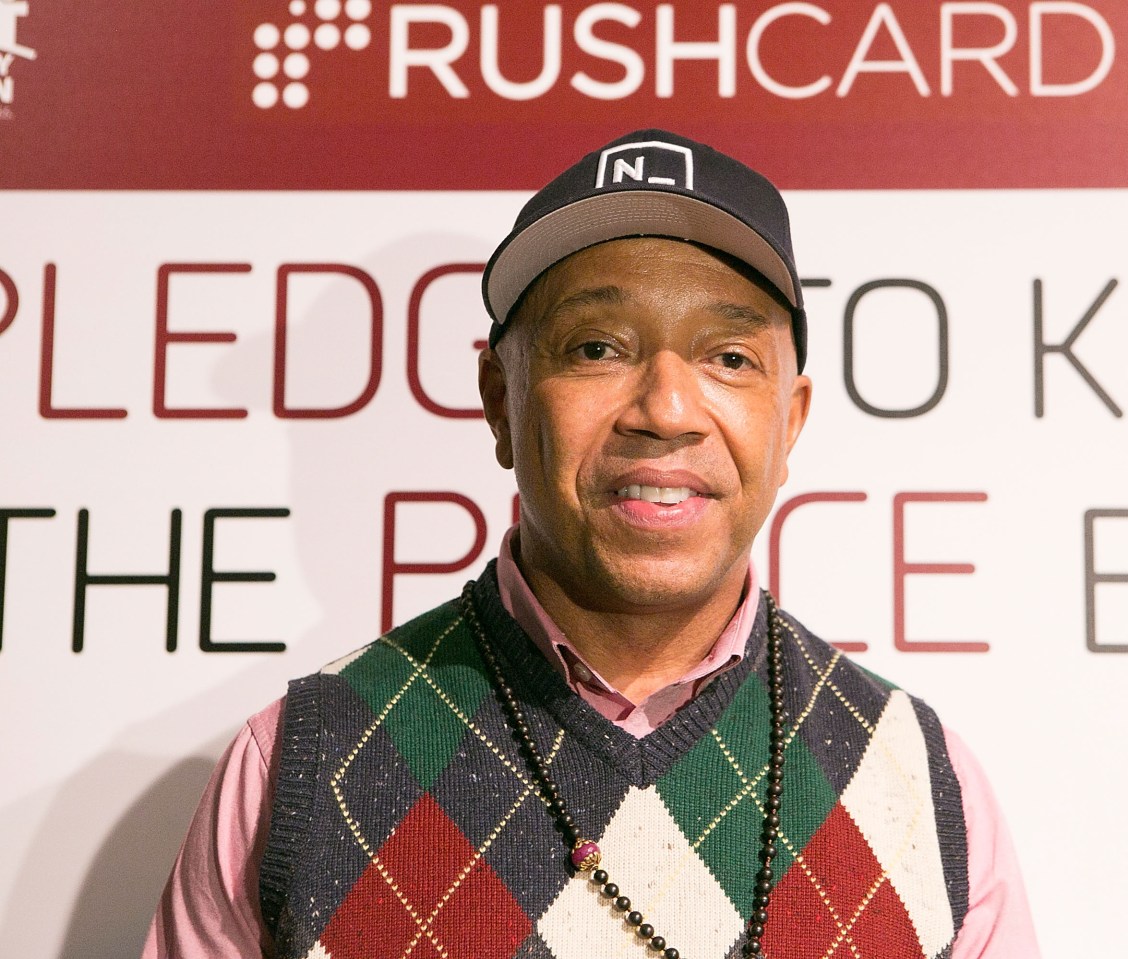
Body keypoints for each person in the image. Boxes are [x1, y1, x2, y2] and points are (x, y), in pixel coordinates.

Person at [143, 129, 1039, 959]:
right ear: (501, 400)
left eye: (729, 357)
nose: (667, 410)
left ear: (790, 420)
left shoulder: (921, 781)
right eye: (598, 347)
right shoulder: (300, 762)